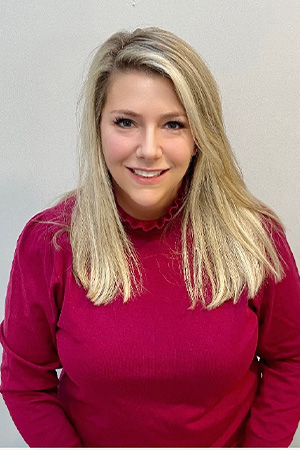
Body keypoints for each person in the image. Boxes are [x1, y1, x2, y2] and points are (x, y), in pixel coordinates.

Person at [1, 27, 300, 448]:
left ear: (200, 137)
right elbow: (24, 380)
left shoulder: (255, 238)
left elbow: (290, 360)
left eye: (173, 125)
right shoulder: (49, 243)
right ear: (98, 127)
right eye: (126, 122)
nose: (149, 149)